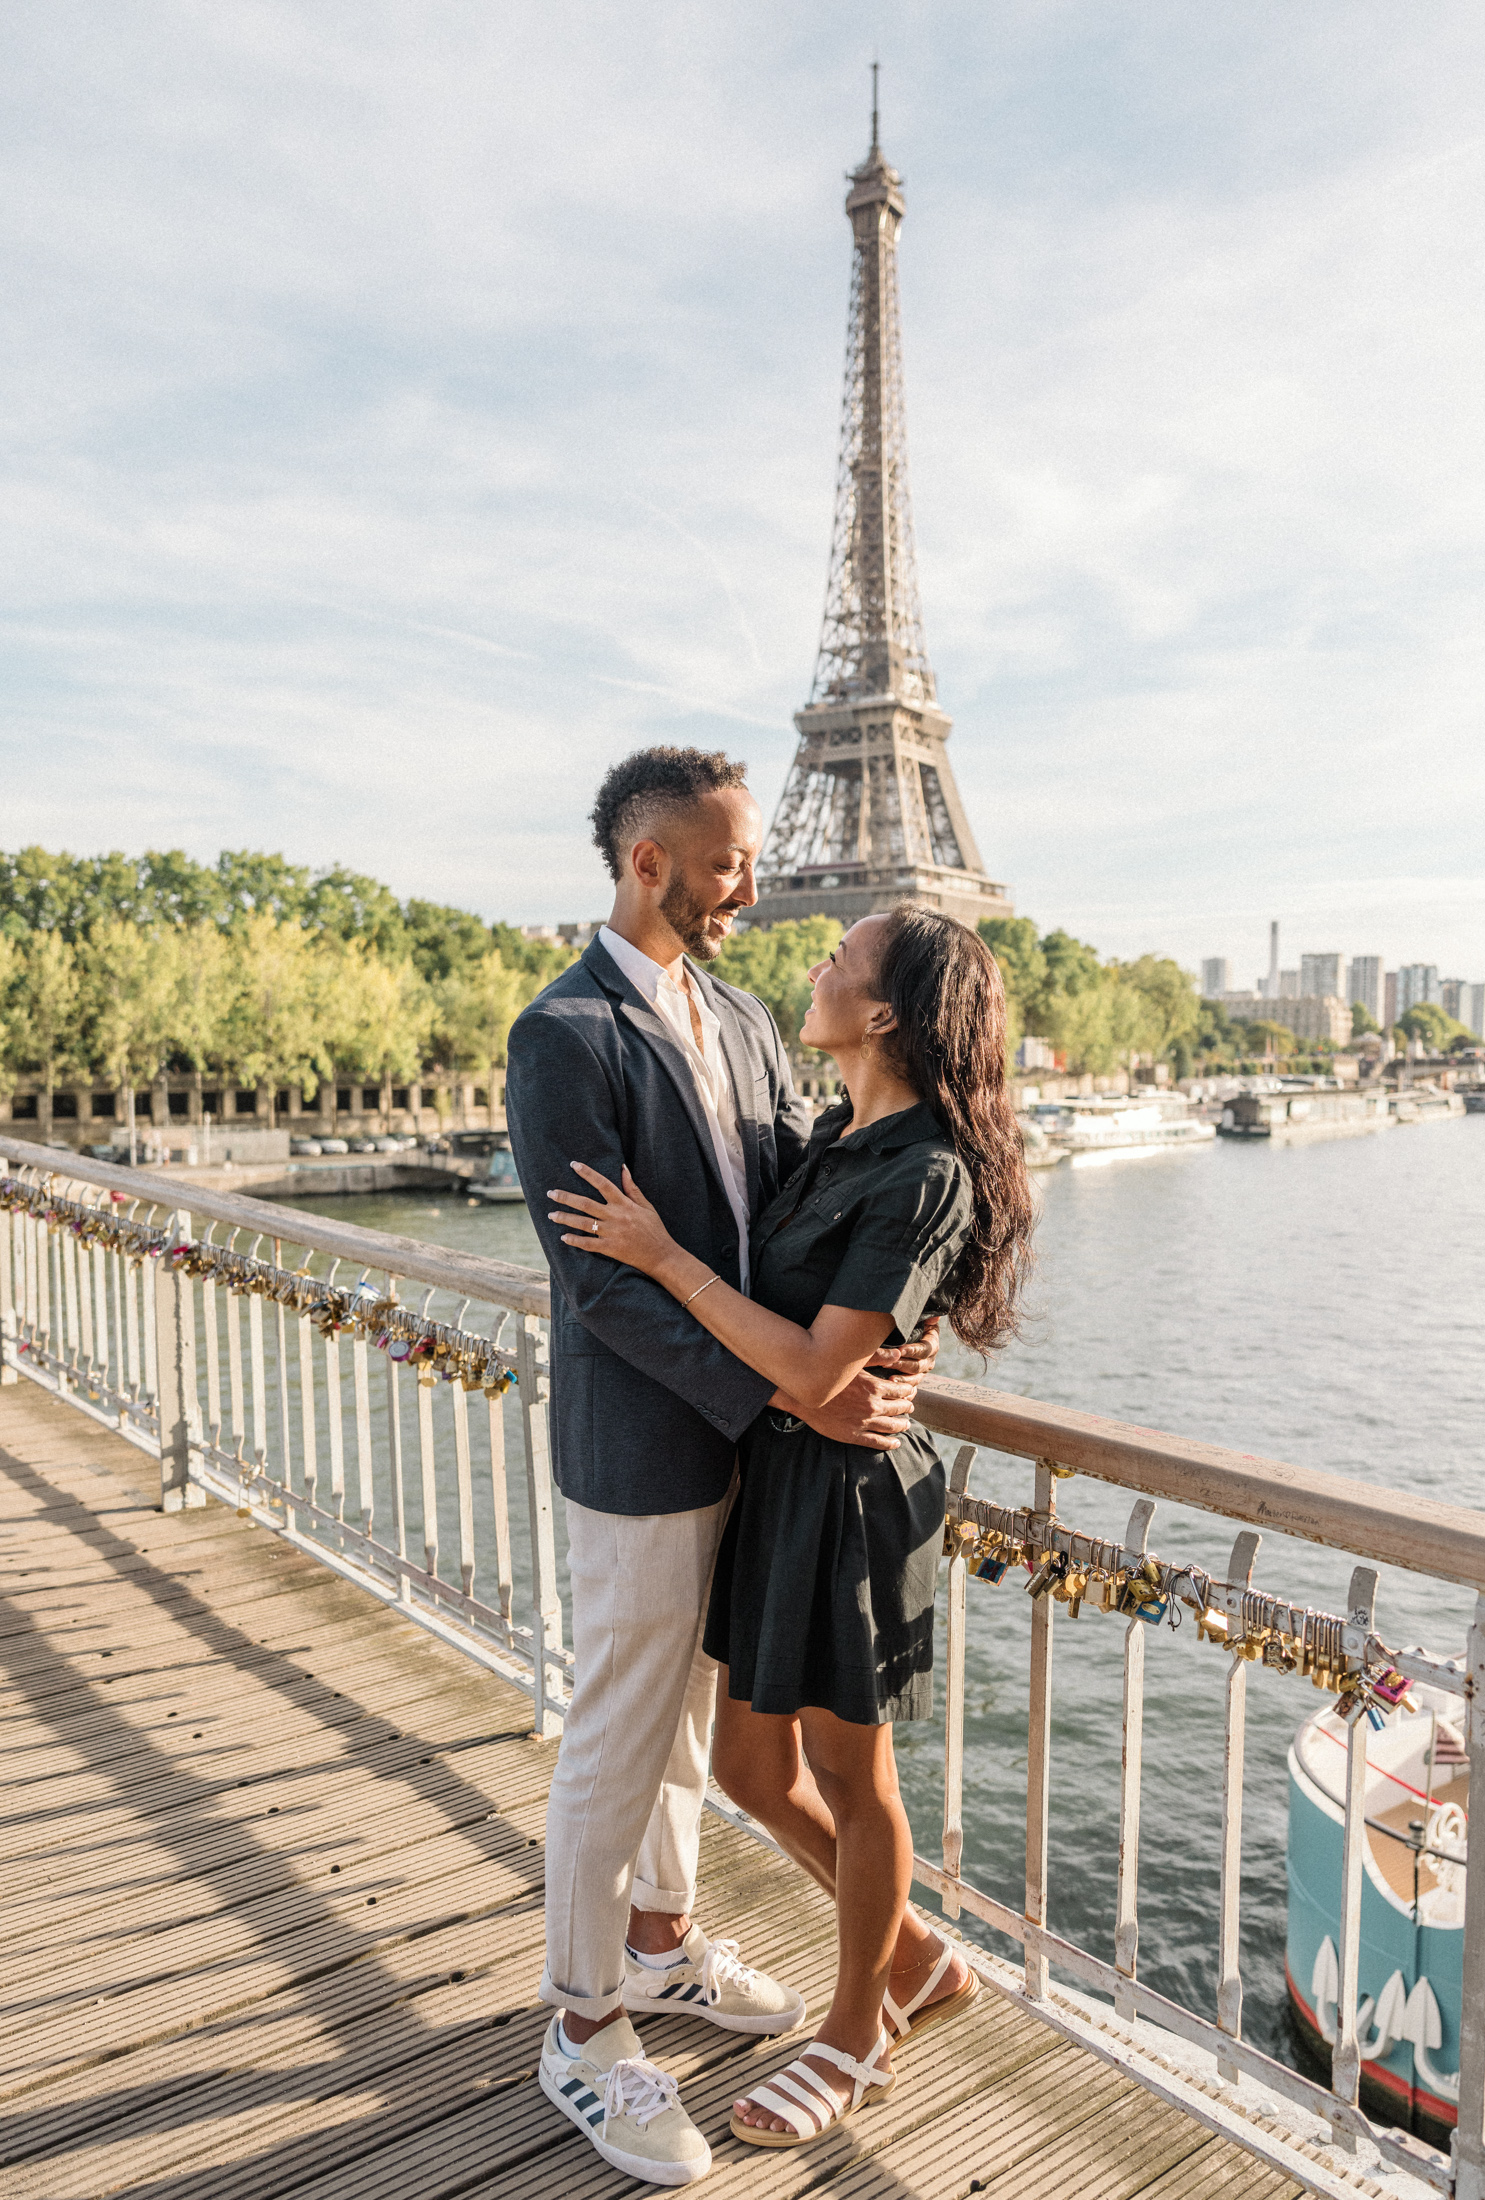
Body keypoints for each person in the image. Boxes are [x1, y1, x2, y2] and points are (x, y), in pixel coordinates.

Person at [506, 746, 940, 2187]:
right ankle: (581, 2025)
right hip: (648, 1449)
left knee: (690, 1727)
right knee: (620, 1733)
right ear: (650, 864)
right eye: (730, 861)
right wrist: (788, 1404)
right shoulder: (562, 1037)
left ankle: (662, 1942)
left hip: (761, 1440)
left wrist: (885, 1341)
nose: (754, 883)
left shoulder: (747, 1019)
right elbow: (600, 1289)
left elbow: (810, 1202)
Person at [548, 901, 1035, 2153]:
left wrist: (661, 1257)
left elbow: (822, 1373)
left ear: (880, 1012)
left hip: (851, 1496)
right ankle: (917, 1953)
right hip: (776, 1476)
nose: (809, 968)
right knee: (752, 1771)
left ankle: (856, 2028)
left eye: (837, 961)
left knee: (853, 1784)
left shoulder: (927, 1170)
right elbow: (815, 1367)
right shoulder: (832, 1137)